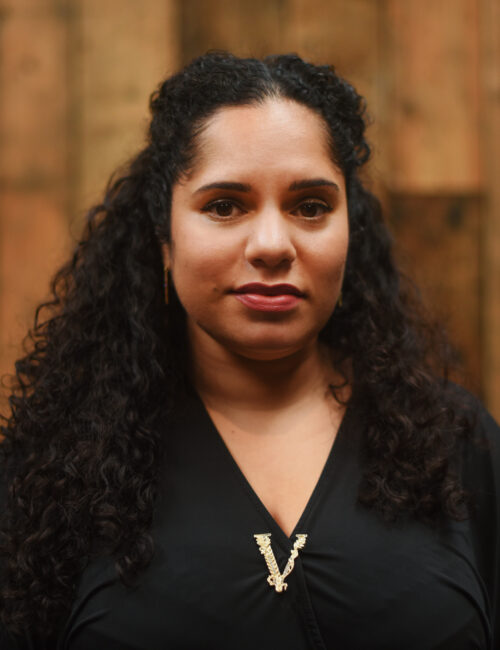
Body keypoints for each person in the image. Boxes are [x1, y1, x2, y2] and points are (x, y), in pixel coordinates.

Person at [0, 50, 498, 650]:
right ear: (164, 236)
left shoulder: (459, 445)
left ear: (350, 228)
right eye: (224, 206)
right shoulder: (53, 468)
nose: (270, 244)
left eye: (310, 206)